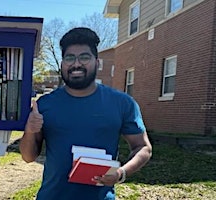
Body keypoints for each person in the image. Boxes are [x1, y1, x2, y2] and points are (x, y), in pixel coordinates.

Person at [19, 27, 152, 200]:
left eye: (84, 57)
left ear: (97, 62)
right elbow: (28, 157)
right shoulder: (45, 105)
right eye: (69, 58)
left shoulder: (122, 103)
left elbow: (143, 147)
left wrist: (121, 173)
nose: (76, 64)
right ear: (62, 63)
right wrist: (29, 131)